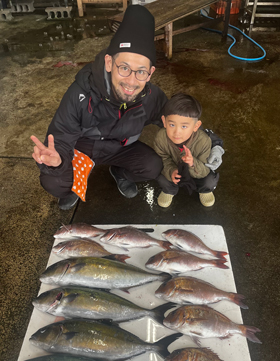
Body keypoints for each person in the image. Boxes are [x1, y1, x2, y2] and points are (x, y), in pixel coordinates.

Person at [31, 5, 224, 210]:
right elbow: (61, 136)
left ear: (150, 73)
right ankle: (73, 186)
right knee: (54, 182)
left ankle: (119, 173)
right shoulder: (80, 93)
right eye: (124, 68)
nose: (131, 81)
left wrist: (213, 142)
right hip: (83, 148)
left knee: (152, 167)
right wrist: (58, 161)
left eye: (141, 71)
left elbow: (178, 123)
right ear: (108, 62)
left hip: (120, 148)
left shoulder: (152, 96)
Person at [154, 93, 222, 208]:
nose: (177, 132)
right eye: (171, 125)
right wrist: (171, 171)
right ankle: (169, 190)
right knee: (159, 175)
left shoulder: (203, 141)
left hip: (197, 171)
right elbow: (163, 158)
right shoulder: (160, 138)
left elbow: (205, 170)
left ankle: (204, 190)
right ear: (164, 121)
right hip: (175, 171)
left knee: (209, 180)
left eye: (184, 126)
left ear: (196, 126)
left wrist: (192, 163)